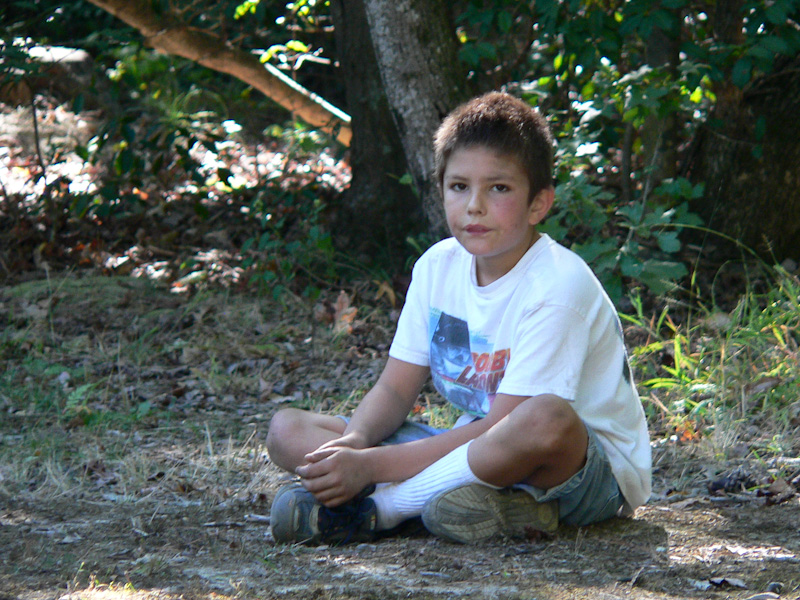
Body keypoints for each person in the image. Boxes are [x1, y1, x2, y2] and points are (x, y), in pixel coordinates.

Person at [266, 91, 651, 545]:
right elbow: (394, 389)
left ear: (538, 204)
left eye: (499, 188)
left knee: (544, 416)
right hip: (479, 448)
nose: (474, 206)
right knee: (288, 430)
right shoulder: (438, 266)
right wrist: (353, 443)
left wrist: (370, 468)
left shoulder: (558, 287)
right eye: (459, 186)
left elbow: (503, 427)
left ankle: (383, 509)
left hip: (580, 471)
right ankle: (499, 507)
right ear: (442, 190)